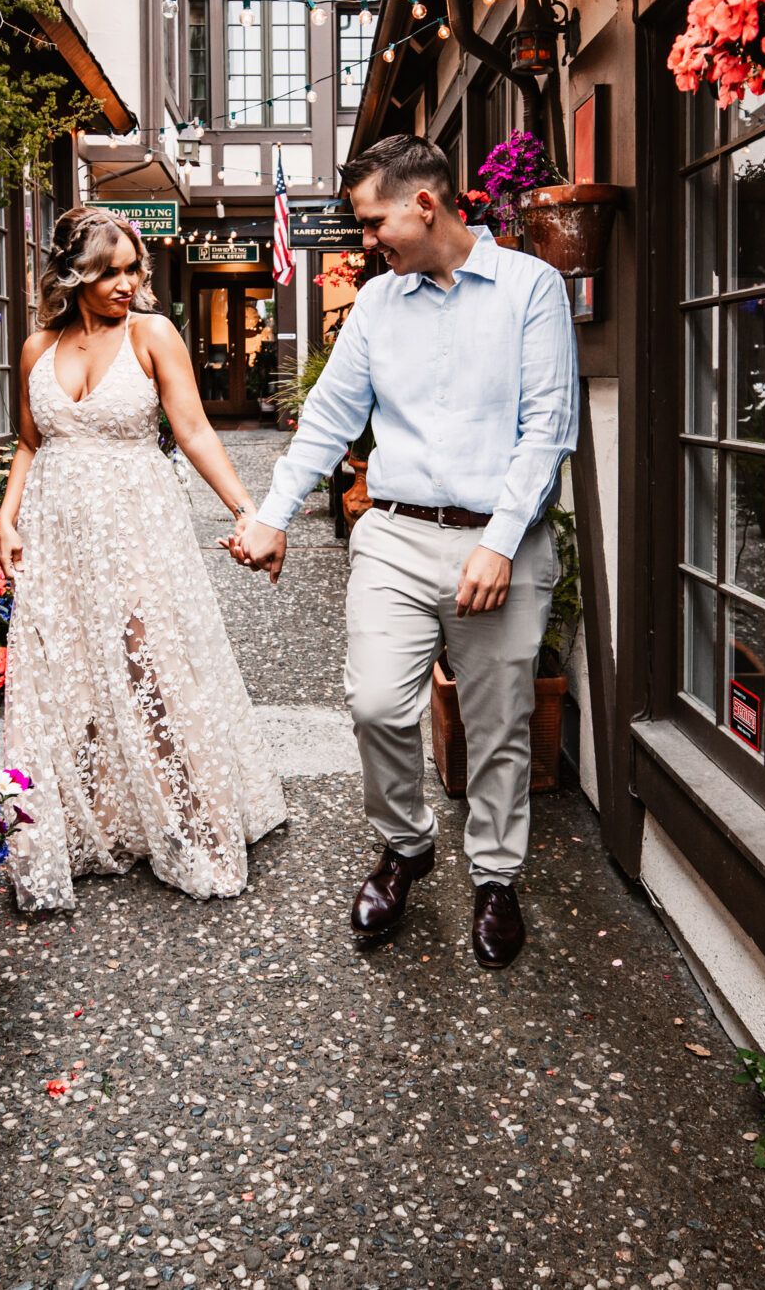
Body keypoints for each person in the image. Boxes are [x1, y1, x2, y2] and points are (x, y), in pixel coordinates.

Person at [234, 134, 578, 968]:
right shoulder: (380, 306)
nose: (367, 238)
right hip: (391, 531)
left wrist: (500, 542)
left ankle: (496, 876)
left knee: (498, 726)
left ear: (425, 204)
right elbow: (327, 418)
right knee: (378, 705)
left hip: (499, 544)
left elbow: (548, 430)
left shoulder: (533, 288)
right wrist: (274, 513)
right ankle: (408, 843)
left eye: (373, 219)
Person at [0, 206, 286, 911]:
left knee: (150, 665)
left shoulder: (152, 334)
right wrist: (6, 515)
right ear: (74, 275)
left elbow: (192, 429)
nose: (127, 283)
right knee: (66, 675)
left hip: (136, 531)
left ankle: (189, 823)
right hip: (57, 536)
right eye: (110, 272)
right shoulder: (37, 347)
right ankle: (91, 826)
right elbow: (31, 444)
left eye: (133, 269)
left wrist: (248, 511)